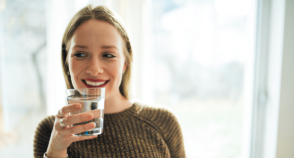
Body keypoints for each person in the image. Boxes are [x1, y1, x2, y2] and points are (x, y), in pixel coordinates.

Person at [34, 5, 186, 158]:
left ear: (125, 63)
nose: (94, 69)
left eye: (108, 55)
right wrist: (56, 151)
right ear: (66, 62)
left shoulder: (163, 122)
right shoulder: (50, 132)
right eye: (80, 54)